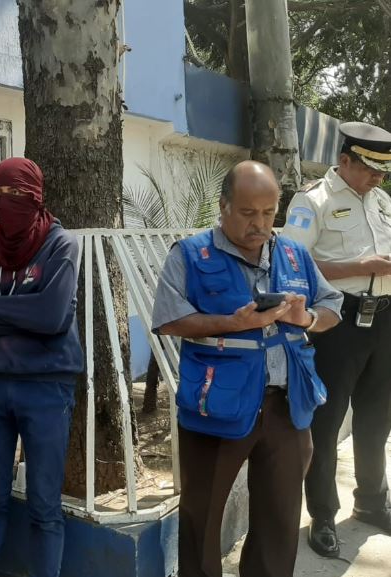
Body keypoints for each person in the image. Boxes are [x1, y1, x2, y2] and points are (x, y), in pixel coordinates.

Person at [152, 160, 342, 577]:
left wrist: (305, 318)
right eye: (247, 212)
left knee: (280, 522)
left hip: (288, 408)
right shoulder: (191, 254)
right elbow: (168, 318)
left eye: (269, 212)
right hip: (216, 408)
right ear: (223, 206)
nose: (260, 224)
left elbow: (331, 308)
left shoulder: (294, 254)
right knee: (201, 520)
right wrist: (232, 323)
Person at [0, 157, 83, 577]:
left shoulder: (60, 244)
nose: (9, 202)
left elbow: (54, 318)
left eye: (19, 193)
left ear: (37, 196)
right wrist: (26, 309)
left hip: (47, 387)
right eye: (1, 193)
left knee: (44, 505)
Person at [282, 121, 391, 557]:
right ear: (344, 160)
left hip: (386, 318)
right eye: (370, 168)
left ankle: (370, 502)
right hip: (338, 320)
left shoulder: (381, 201)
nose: (378, 177)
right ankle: (323, 515)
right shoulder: (314, 201)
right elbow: (294, 264)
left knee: (377, 417)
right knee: (326, 423)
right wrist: (359, 267)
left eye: (384, 170)